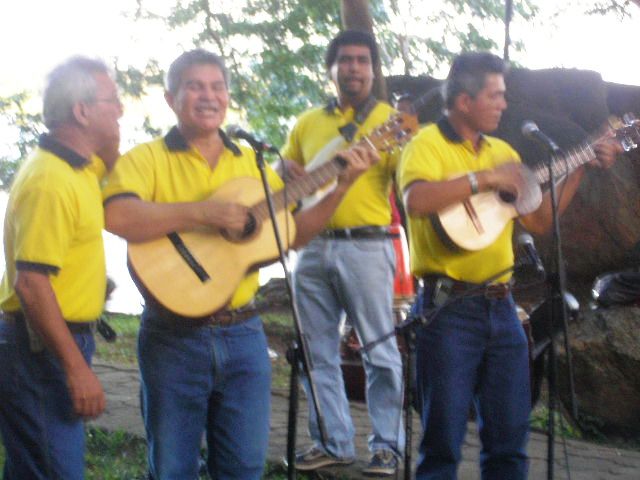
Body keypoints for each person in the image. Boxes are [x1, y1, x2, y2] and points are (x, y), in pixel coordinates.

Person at [102, 48, 377, 480]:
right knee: (173, 468)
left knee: (244, 468)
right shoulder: (146, 159)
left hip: (244, 336)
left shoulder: (251, 163)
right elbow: (117, 216)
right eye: (195, 86)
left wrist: (340, 189)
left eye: (217, 87)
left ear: (228, 96)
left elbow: (291, 235)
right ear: (172, 97)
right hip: (174, 338)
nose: (208, 96)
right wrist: (204, 214)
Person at [398, 51, 621, 479]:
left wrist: (580, 168)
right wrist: (484, 180)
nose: (504, 104)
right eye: (495, 96)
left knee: (510, 445)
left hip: (502, 311)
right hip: (448, 311)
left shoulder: (503, 149)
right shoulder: (425, 144)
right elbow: (417, 200)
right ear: (465, 100)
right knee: (442, 446)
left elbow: (538, 220)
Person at [281, 30, 405, 476]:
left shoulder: (392, 121)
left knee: (379, 349)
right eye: (346, 60)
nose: (354, 67)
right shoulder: (306, 122)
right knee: (316, 351)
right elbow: (286, 177)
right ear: (331, 69)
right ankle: (332, 440)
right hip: (310, 246)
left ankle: (388, 445)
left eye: (363, 61)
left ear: (372, 70)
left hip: (367, 246)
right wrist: (285, 169)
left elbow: (408, 181)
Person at [0, 56, 122, 479]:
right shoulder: (51, 180)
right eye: (113, 100)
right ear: (81, 110)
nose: (121, 109)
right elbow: (32, 284)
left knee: (35, 468)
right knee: (55, 472)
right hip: (39, 351)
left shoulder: (81, 166)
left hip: (53, 345)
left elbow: (111, 156)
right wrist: (77, 369)